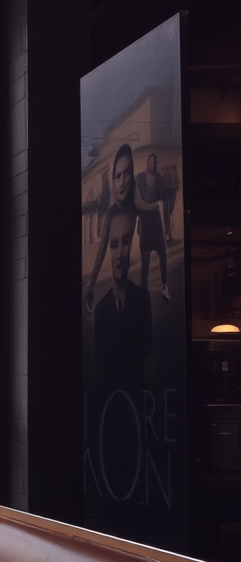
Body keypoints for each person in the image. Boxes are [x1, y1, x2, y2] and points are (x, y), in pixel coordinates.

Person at [84, 144, 168, 314]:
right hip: (117, 286)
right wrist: (91, 285)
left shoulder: (133, 205)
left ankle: (164, 286)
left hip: (131, 288)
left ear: (132, 175)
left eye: (127, 173)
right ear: (113, 180)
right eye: (117, 176)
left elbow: (143, 205)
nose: (122, 182)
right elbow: (101, 251)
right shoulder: (111, 214)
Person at [93, 207, 152, 391]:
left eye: (125, 242)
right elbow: (100, 363)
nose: (119, 254)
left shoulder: (142, 299)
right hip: (110, 402)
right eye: (113, 244)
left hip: (136, 396)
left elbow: (146, 351)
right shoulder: (101, 310)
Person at [135, 152, 169, 301]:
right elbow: (139, 204)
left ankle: (164, 286)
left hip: (155, 220)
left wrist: (152, 206)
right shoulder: (140, 178)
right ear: (147, 163)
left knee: (162, 252)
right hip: (145, 219)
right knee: (145, 257)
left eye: (154, 163)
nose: (152, 165)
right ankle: (143, 290)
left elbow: (162, 200)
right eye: (150, 162)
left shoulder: (159, 178)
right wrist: (153, 205)